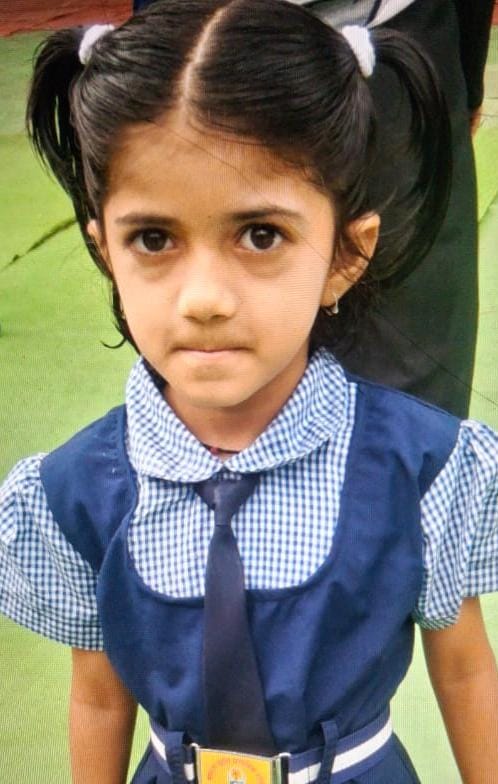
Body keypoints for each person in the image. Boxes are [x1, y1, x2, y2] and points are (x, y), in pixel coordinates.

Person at [0, 1, 497, 782]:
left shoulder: (425, 470)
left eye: (260, 235)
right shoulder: (75, 492)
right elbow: (98, 697)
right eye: (153, 239)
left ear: (346, 254)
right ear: (105, 252)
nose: (204, 298)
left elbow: (465, 671)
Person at [133, 0, 495, 419]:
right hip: (201, 62)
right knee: (217, 377)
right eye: (152, 239)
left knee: (411, 392)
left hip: (390, 52)